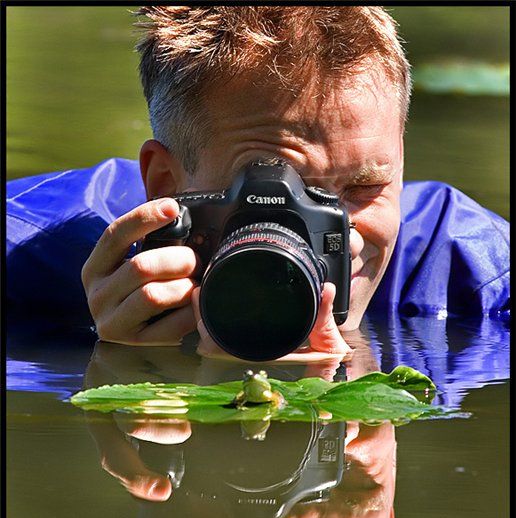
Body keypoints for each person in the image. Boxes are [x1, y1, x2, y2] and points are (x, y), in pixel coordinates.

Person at [6, 6, 510, 362]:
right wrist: (124, 365)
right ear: (165, 184)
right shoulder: (23, 259)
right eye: (278, 193)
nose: (346, 236)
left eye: (364, 187)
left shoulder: (478, 280)